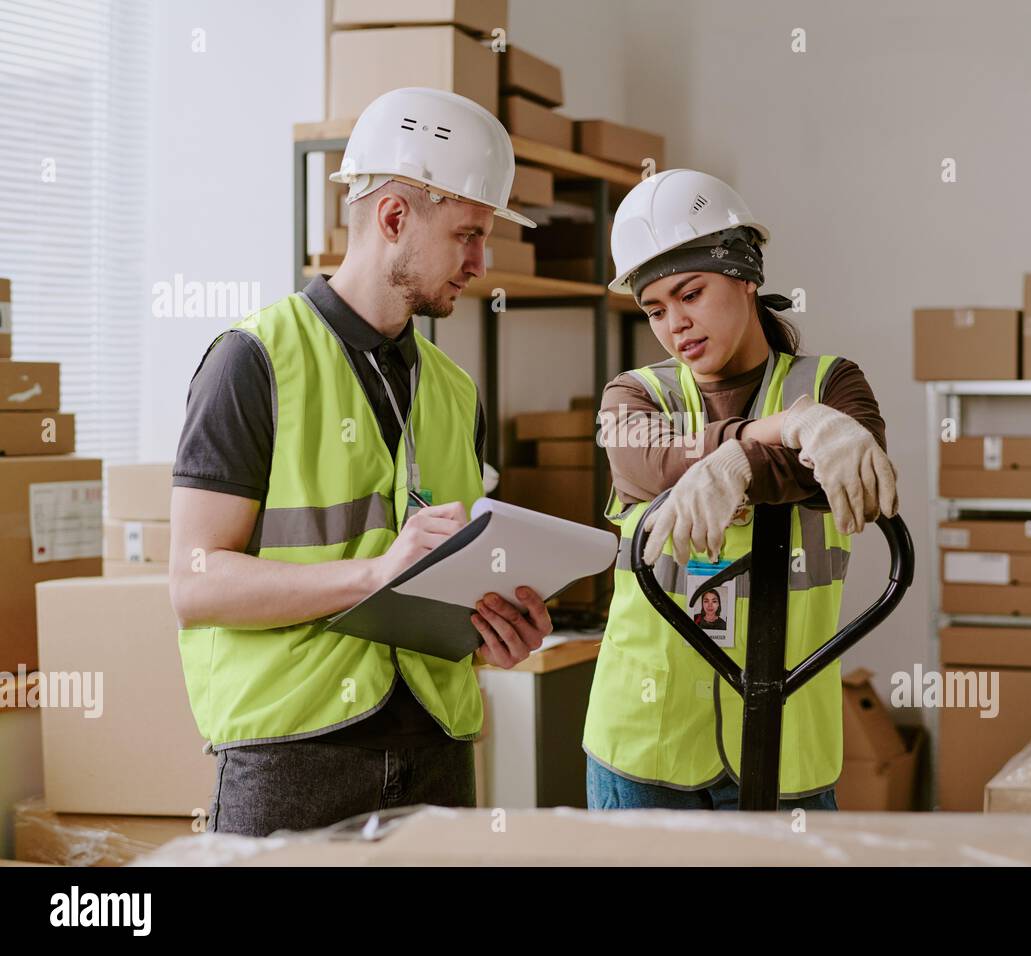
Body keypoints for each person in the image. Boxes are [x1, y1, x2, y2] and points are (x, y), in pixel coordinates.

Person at [169, 88, 553, 837]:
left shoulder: (453, 389)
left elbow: (444, 580)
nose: (482, 261)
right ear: (394, 218)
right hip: (293, 758)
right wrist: (378, 572)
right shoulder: (252, 362)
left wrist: (496, 626)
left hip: (437, 753)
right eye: (469, 234)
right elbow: (194, 583)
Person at [583, 169, 899, 811]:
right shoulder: (637, 394)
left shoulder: (835, 384)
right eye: (655, 309)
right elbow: (647, 462)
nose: (675, 325)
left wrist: (741, 467)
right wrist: (785, 428)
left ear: (746, 276)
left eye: (690, 293)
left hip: (785, 741)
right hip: (647, 743)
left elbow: (846, 472)